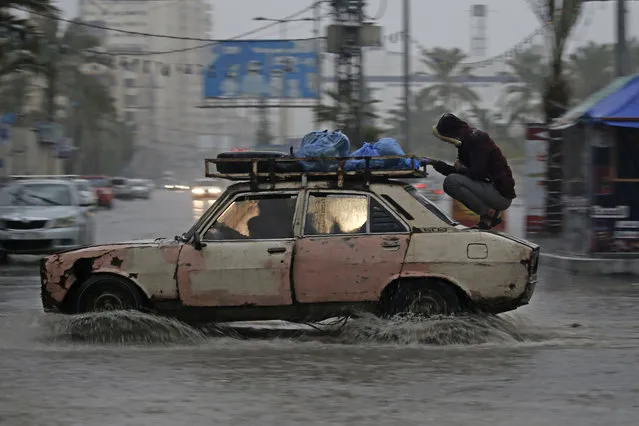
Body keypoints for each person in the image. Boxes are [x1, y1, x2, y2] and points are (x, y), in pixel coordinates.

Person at [426, 113, 516, 229]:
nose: (446, 142)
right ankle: (486, 218)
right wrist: (434, 163)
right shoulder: (465, 143)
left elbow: (477, 173)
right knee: (449, 184)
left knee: (451, 181)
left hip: (501, 195)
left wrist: (461, 169)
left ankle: (489, 214)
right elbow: (459, 174)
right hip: (488, 188)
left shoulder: (477, 139)